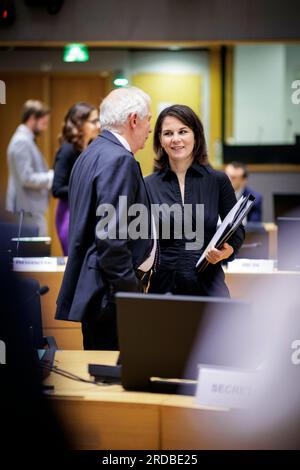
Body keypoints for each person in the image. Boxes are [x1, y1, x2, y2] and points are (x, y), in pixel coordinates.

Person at [55, 87, 155, 350]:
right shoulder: (119, 159)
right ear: (134, 120)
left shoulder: (91, 152)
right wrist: (131, 293)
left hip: (96, 289)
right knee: (114, 381)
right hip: (109, 294)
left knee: (102, 373)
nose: (149, 129)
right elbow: (111, 238)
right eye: (149, 121)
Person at [145, 104, 245, 297]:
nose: (176, 139)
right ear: (160, 140)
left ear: (196, 135)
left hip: (208, 285)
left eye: (183, 131)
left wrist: (226, 252)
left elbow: (236, 228)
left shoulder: (218, 180)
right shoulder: (147, 184)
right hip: (163, 287)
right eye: (168, 133)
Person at [52, 102, 100, 255]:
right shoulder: (67, 150)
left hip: (84, 211)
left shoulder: (90, 148)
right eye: (93, 121)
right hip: (69, 213)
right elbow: (57, 189)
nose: (99, 125)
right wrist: (89, 188)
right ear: (80, 124)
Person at [6, 100, 53, 236]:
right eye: (43, 123)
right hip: (26, 209)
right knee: (34, 253)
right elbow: (26, 178)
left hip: (29, 208)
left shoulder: (25, 140)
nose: (44, 129)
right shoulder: (22, 141)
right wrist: (52, 176)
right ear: (32, 118)